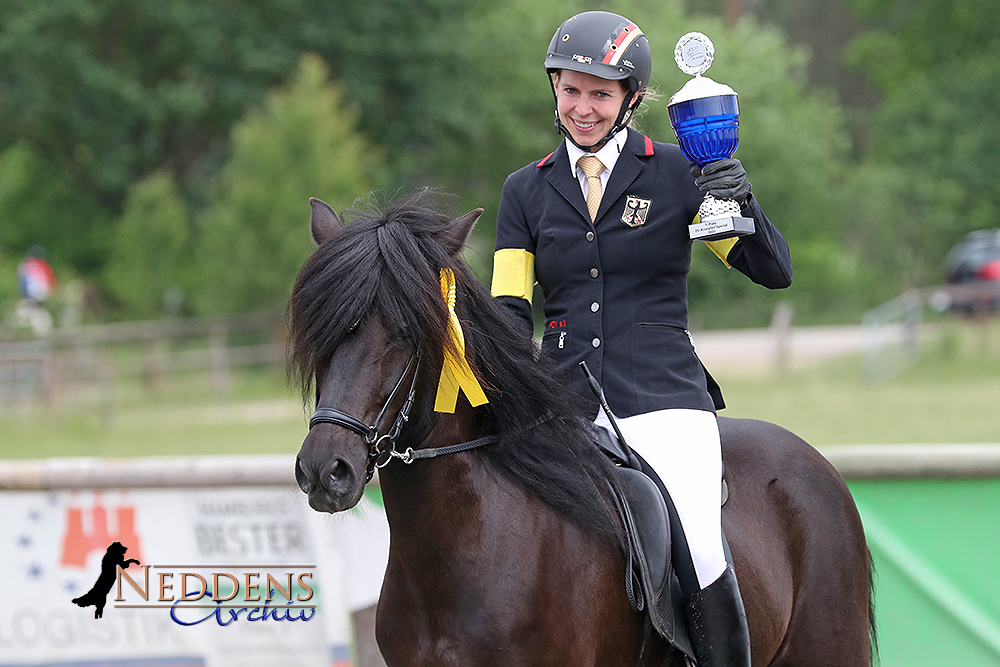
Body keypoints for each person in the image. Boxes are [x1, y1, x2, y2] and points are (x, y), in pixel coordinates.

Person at [490, 11, 792, 667]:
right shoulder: (524, 191)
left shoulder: (678, 175)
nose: (582, 108)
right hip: (560, 403)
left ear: (631, 98)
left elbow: (771, 272)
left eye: (599, 94)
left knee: (700, 542)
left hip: (661, 396)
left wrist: (741, 200)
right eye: (570, 90)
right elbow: (510, 311)